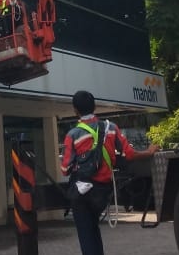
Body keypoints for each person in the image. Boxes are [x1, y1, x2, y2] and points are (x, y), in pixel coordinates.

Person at [60, 90, 159, 255]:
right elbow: (129, 154)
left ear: (75, 110)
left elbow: (64, 170)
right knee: (93, 228)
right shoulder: (110, 128)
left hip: (82, 194)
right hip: (102, 191)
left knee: (86, 233)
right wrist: (148, 152)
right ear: (95, 107)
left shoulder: (73, 135)